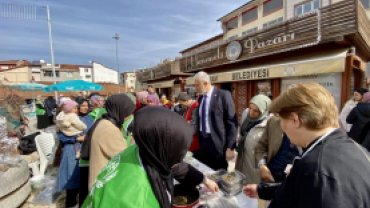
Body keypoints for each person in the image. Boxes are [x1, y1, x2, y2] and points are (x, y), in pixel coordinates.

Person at [243, 83, 370, 208]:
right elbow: (302, 188)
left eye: (282, 120)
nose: (282, 127)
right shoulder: (355, 148)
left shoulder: (317, 169)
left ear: (295, 120)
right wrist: (264, 191)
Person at [81, 107, 218, 208]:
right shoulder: (140, 199)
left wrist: (205, 180)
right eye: (177, 152)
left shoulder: (141, 150)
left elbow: (174, 166)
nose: (179, 158)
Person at [80, 93, 136, 190]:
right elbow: (124, 156)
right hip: (105, 185)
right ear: (120, 110)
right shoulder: (109, 129)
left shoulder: (104, 122)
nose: (130, 116)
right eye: (128, 112)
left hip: (103, 181)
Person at [194, 72, 238, 170]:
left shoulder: (223, 95)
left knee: (219, 174)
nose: (195, 88)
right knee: (205, 171)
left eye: (197, 85)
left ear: (205, 83)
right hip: (203, 141)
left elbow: (232, 122)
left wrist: (230, 147)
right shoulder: (201, 98)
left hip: (218, 144)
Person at [57, 99, 94, 208]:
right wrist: (77, 139)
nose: (85, 108)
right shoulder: (67, 117)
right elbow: (61, 137)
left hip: (86, 151)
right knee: (71, 179)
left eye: (87, 106)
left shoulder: (89, 118)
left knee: (85, 179)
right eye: (82, 106)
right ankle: (71, 203)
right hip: (71, 151)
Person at [235, 95, 272, 184]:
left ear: (263, 111)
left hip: (254, 169)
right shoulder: (246, 116)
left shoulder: (270, 124)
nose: (251, 112)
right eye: (250, 108)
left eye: (256, 110)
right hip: (241, 162)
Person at [255, 116, 300, 183]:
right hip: (272, 175)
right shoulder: (274, 121)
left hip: (295, 179)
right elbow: (261, 147)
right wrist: (262, 166)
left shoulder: (307, 125)